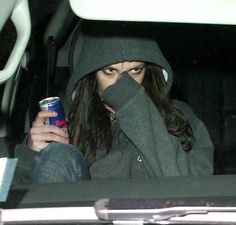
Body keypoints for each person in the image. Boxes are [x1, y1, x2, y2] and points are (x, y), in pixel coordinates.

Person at [15, 20, 214, 184]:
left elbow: (194, 189)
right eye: (110, 71)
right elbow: (14, 196)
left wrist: (135, 108)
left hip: (156, 216)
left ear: (149, 71)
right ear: (91, 73)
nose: (123, 84)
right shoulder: (69, 115)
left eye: (136, 70)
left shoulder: (178, 116)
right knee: (59, 155)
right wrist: (32, 154)